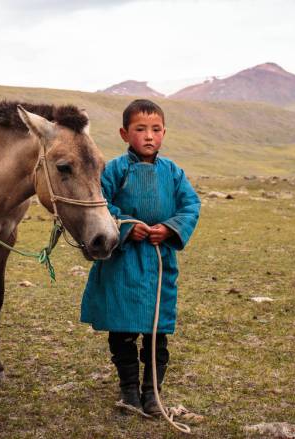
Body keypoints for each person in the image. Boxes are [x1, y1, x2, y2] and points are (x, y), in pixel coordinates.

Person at [80, 99, 201, 415]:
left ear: (164, 132)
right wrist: (126, 226)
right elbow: (100, 204)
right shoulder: (114, 170)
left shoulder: (173, 172)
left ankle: (153, 395)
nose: (149, 136)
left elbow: (191, 206)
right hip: (122, 264)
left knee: (156, 333)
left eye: (156, 129)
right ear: (124, 133)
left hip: (159, 263)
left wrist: (171, 229)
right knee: (122, 331)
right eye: (140, 129)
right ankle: (130, 392)